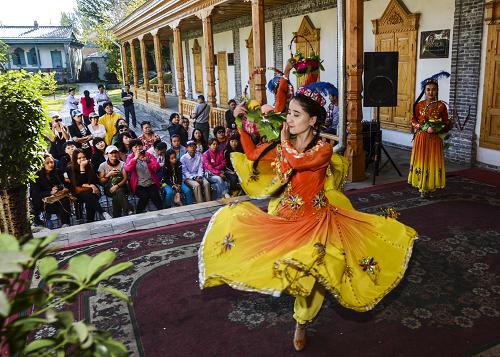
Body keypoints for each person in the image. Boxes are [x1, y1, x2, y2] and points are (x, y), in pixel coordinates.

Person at [198, 81, 417, 351]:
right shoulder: (284, 144)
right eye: (288, 113)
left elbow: (298, 162)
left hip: (316, 218)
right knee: (265, 254)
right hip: (286, 211)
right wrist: (242, 123)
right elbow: (253, 154)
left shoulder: (322, 149)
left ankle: (301, 321)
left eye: (295, 114)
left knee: (315, 274)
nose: (288, 119)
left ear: (312, 120)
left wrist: (282, 140)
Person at [408, 75, 452, 198]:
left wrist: (444, 126)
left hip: (435, 139)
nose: (431, 92)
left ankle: (431, 187)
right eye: (428, 89)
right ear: (424, 91)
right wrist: (424, 127)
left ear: (437, 91)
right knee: (423, 162)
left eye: (433, 89)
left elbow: (445, 123)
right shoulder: (419, 105)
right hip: (422, 138)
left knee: (432, 162)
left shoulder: (441, 106)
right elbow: (413, 121)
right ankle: (422, 188)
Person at [68, 149, 112, 222]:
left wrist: (106, 176)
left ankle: (90, 221)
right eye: (79, 158)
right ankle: (102, 212)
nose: (82, 159)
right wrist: (82, 168)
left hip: (93, 191)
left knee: (89, 196)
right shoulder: (70, 168)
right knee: (87, 195)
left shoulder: (90, 166)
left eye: (84, 157)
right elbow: (77, 184)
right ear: (75, 159)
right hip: (78, 193)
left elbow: (95, 180)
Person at [31, 154, 71, 228]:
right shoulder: (37, 176)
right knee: (62, 202)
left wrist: (65, 188)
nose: (50, 164)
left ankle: (65, 223)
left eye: (52, 162)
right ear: (42, 164)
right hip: (44, 203)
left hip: (58, 198)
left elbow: (65, 184)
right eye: (47, 163)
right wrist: (50, 192)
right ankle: (64, 222)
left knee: (65, 199)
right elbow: (35, 194)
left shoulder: (57, 172)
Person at [124, 139, 163, 213]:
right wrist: (135, 158)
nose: (138, 148)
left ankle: (163, 212)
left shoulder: (148, 154)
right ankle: (138, 213)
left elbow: (156, 167)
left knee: (155, 196)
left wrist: (149, 161)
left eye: (139, 146)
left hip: (151, 182)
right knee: (144, 197)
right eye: (135, 147)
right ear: (132, 149)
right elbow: (127, 169)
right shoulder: (130, 157)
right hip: (138, 184)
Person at [98, 145, 130, 218]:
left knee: (118, 192)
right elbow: (101, 181)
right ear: (107, 154)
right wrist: (108, 174)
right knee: (118, 192)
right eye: (111, 153)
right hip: (108, 188)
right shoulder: (102, 165)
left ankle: (117, 215)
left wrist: (117, 186)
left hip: (122, 186)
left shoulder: (122, 164)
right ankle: (128, 209)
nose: (114, 154)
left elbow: (125, 179)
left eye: (115, 152)